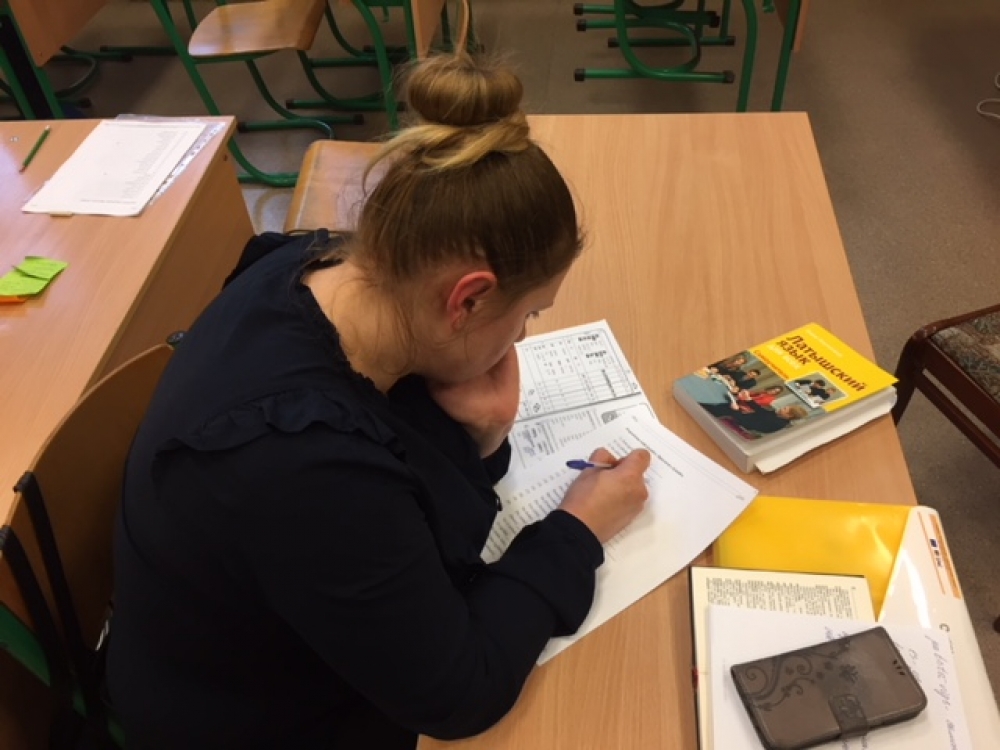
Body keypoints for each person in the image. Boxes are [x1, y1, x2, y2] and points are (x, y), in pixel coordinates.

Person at [107, 53, 651, 750]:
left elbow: (407, 500)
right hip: (245, 720)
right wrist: (578, 530)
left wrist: (479, 441)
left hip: (261, 636)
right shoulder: (304, 465)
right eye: (528, 315)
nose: (521, 336)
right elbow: (459, 693)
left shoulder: (317, 269)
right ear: (467, 300)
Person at [701, 400, 809, 435]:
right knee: (729, 404)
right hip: (744, 418)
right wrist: (749, 400)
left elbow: (748, 424)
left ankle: (702, 409)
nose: (782, 408)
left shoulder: (777, 422)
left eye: (785, 409)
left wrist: (736, 410)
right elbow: (761, 411)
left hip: (742, 425)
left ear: (789, 415)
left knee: (726, 409)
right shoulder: (777, 416)